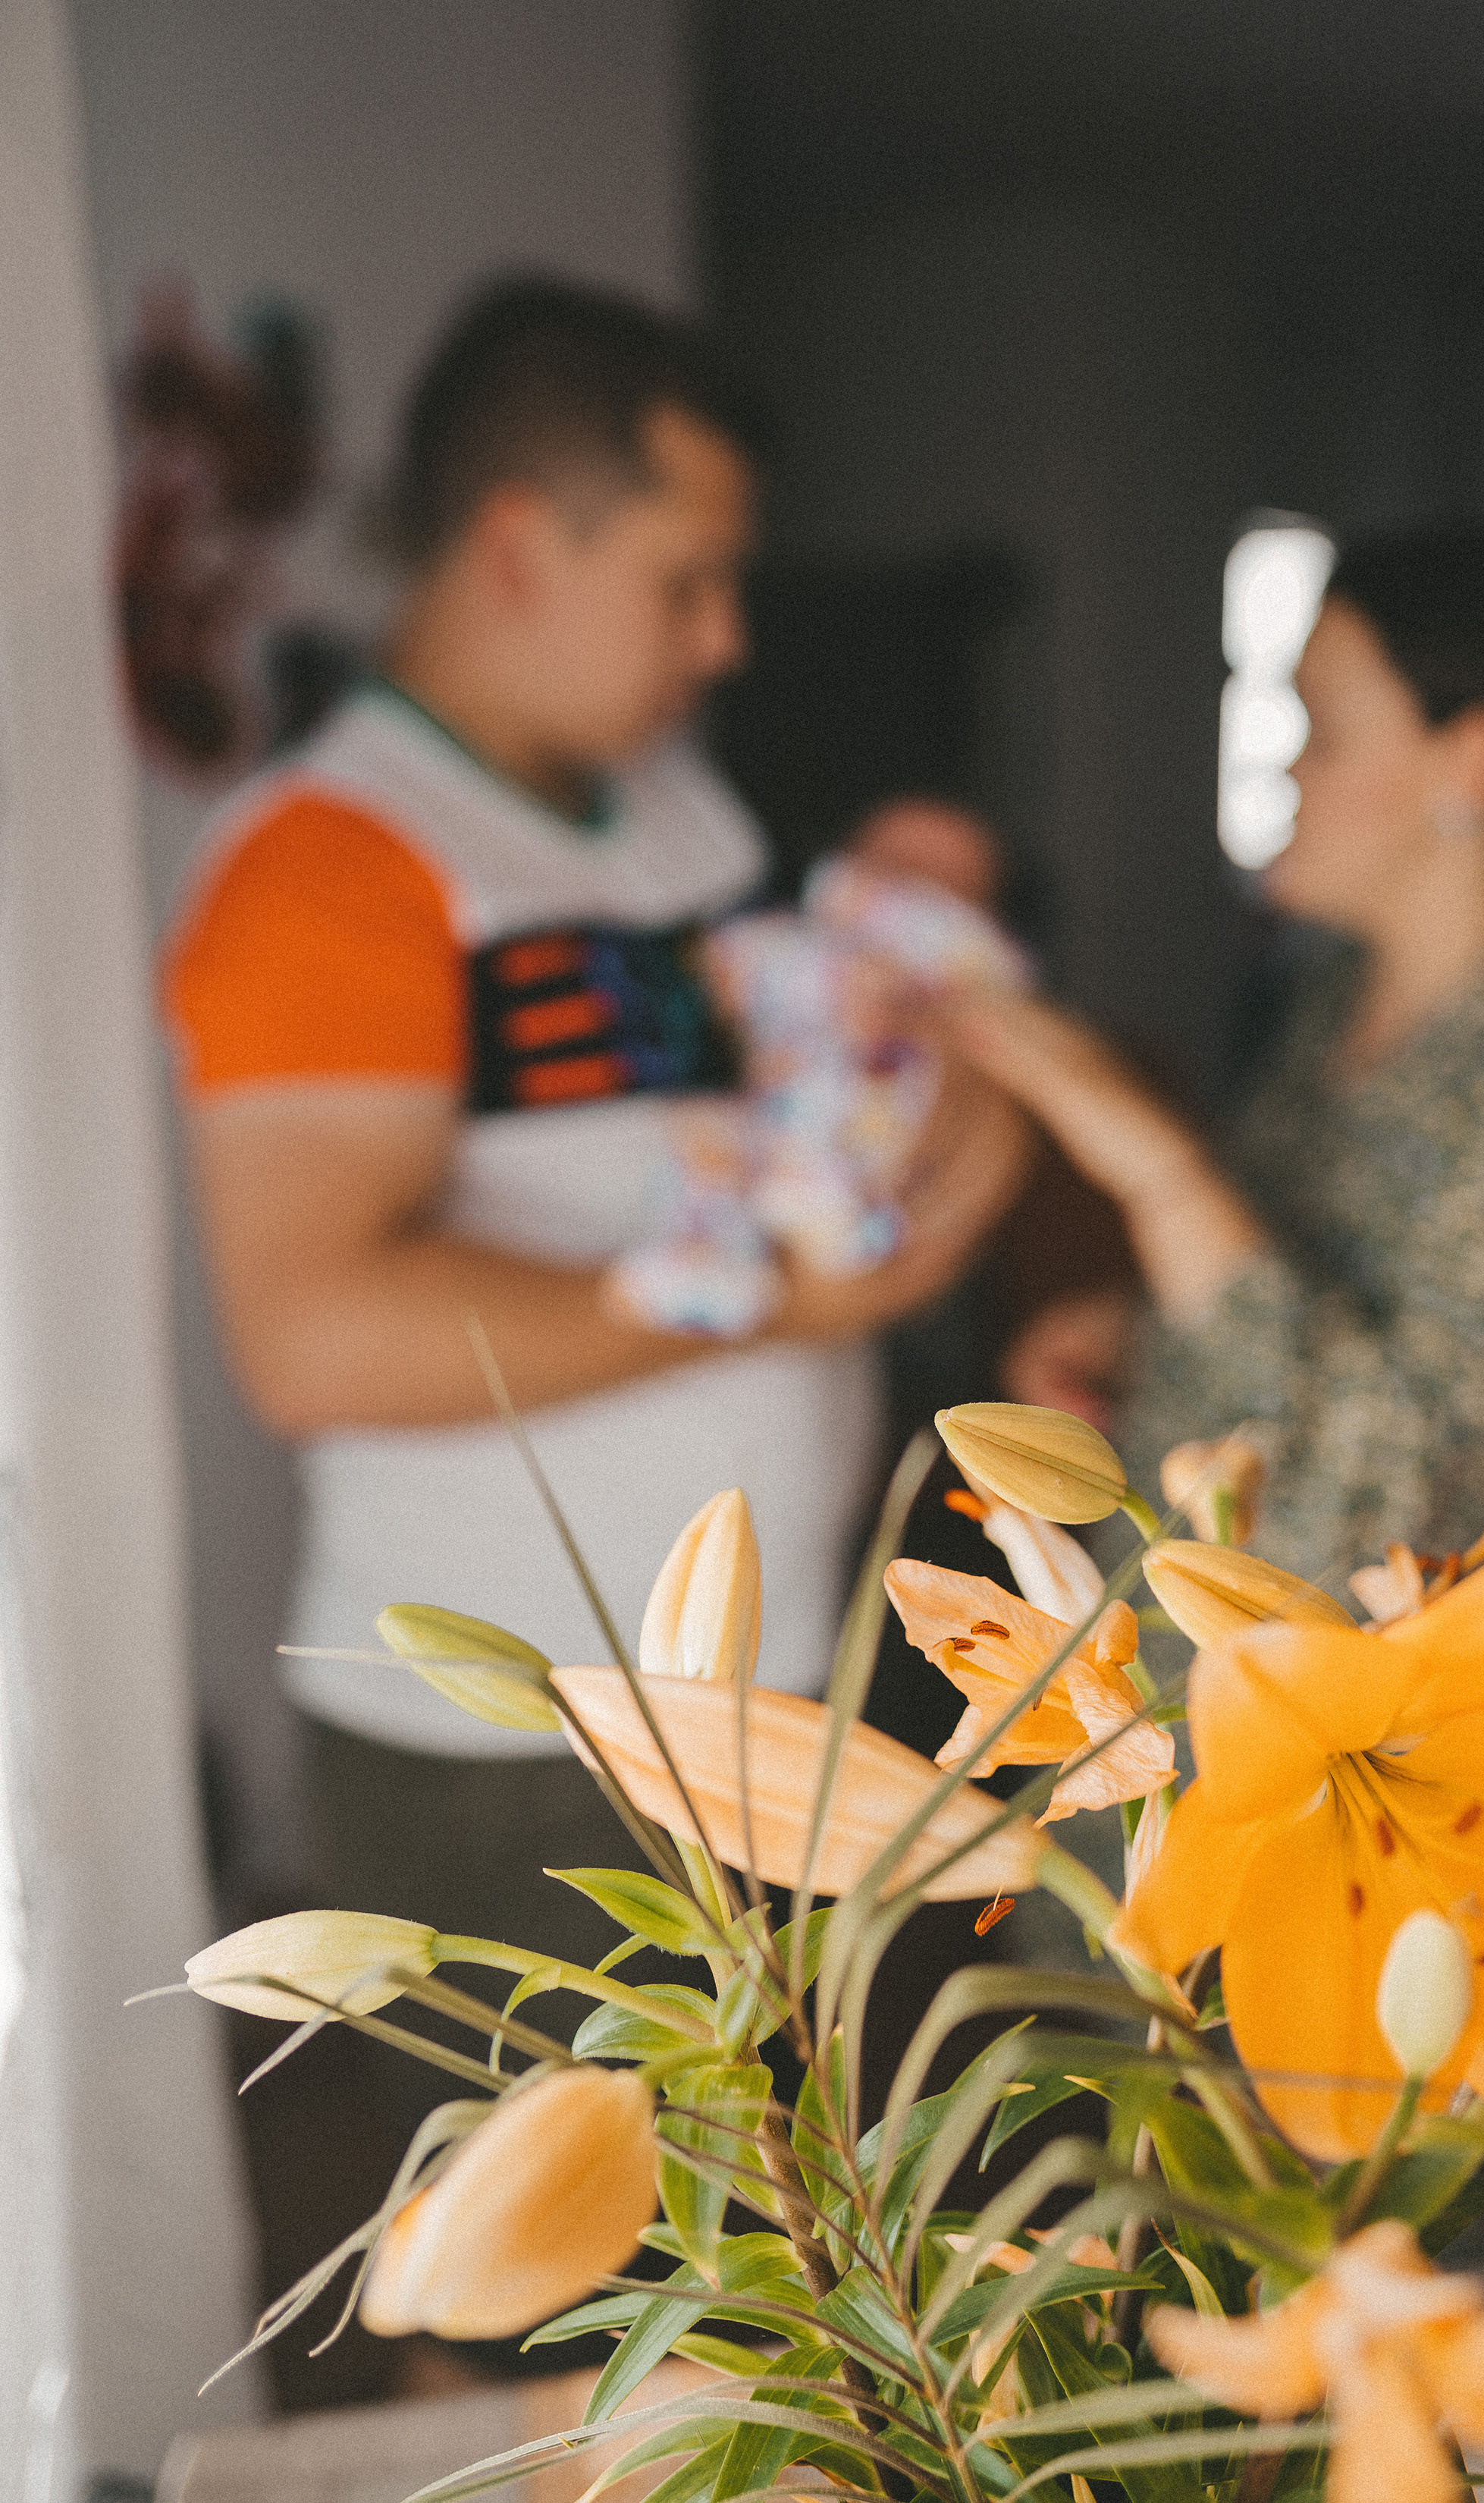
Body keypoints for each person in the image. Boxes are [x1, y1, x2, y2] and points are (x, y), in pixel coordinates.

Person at [162, 275, 1028, 1993]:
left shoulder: (674, 811)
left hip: (763, 1686)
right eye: (684, 580)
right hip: (527, 1746)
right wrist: (783, 1309)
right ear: (517, 546)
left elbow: (798, 1085)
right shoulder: (331, 866)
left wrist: (955, 1124)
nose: (725, 640)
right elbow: (315, 1336)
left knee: (810, 2155)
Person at [957, 520, 1484, 1584]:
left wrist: (1161, 1172)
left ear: (1469, 760)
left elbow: (1413, 1500)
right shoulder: (1334, 997)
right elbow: (1292, 1300)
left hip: (1407, 1690)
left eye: (1321, 731)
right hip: (1204, 1653)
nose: (1286, 765)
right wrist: (1150, 1336)